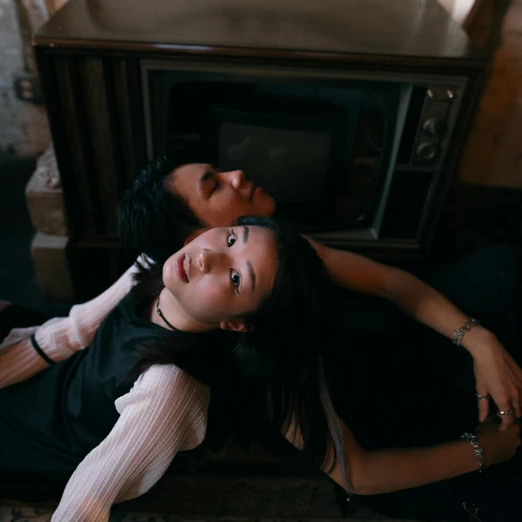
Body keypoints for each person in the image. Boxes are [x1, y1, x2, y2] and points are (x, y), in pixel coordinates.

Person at [0, 217, 332, 522]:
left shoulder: (170, 389)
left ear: (236, 324)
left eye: (238, 279)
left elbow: (91, 493)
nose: (208, 256)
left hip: (49, 435)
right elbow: (79, 327)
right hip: (66, 372)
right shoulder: (160, 267)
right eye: (229, 238)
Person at [117, 155, 522, 431]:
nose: (236, 174)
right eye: (215, 187)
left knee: (499, 272)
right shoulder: (252, 349)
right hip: (388, 386)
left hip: (399, 324)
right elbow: (353, 469)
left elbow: (388, 281)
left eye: (218, 171)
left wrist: (477, 338)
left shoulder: (275, 248)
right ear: (193, 241)